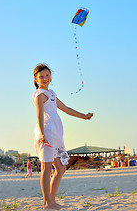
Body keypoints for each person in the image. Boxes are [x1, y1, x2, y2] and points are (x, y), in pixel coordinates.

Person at [32, 63, 93, 210]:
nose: (45, 79)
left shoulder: (51, 93)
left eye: (47, 75)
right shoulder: (40, 94)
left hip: (56, 133)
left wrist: (84, 116)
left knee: (60, 169)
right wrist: (42, 133)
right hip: (46, 131)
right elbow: (39, 115)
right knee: (46, 168)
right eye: (41, 77)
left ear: (50, 76)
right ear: (36, 79)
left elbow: (66, 109)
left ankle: (52, 201)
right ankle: (47, 203)